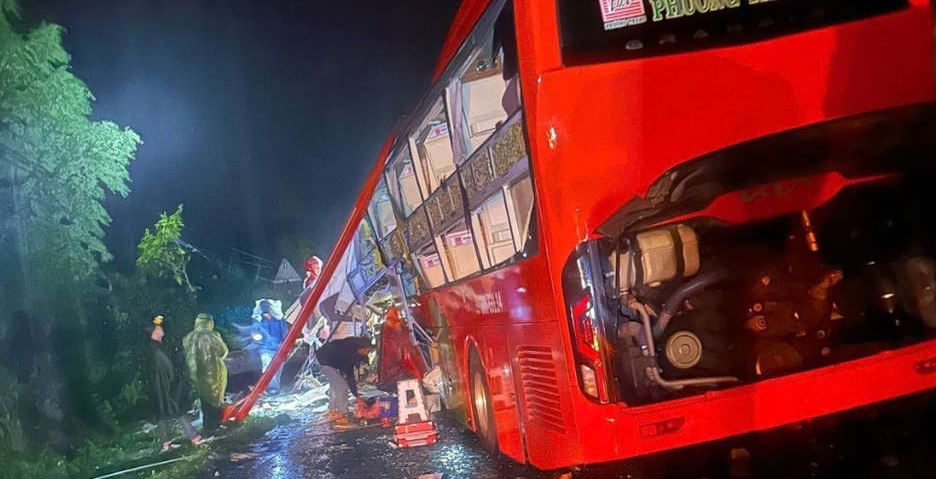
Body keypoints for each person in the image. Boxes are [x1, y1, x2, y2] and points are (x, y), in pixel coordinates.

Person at [146, 316, 202, 451]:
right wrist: (177, 380)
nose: (161, 329)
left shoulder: (154, 347)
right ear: (154, 332)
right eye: (158, 328)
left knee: (163, 412)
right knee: (177, 409)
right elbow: (170, 368)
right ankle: (194, 437)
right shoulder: (158, 350)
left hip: (159, 387)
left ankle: (166, 443)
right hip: (167, 386)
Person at [182, 313, 228, 435]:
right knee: (215, 398)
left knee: (204, 399)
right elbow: (223, 351)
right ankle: (215, 425)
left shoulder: (190, 337)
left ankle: (207, 426)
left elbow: (186, 352)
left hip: (197, 374)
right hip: (213, 373)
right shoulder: (213, 336)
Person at [315, 336, 372, 424]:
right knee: (342, 387)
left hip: (330, 359)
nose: (368, 353)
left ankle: (332, 411)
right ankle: (341, 414)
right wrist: (357, 396)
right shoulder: (349, 353)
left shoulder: (354, 347)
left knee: (336, 385)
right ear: (361, 349)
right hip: (325, 361)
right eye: (367, 351)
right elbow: (350, 376)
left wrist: (356, 395)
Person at [254, 300, 288, 393]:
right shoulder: (258, 321)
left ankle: (276, 389)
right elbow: (255, 334)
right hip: (265, 349)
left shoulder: (279, 320)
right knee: (268, 368)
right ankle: (273, 389)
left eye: (266, 306)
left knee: (277, 370)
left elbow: (285, 334)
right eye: (263, 306)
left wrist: (286, 347)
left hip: (279, 349)